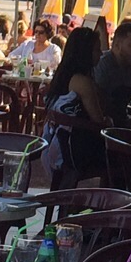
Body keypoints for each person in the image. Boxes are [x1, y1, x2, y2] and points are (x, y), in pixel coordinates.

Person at [47, 26, 108, 175]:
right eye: (97, 50)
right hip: (75, 152)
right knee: (127, 155)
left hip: (55, 144)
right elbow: (99, 122)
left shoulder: (62, 75)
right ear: (85, 52)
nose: (101, 54)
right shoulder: (82, 82)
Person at [92, 19, 131, 125]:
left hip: (122, 123)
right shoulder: (102, 65)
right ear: (117, 45)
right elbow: (98, 103)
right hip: (98, 125)